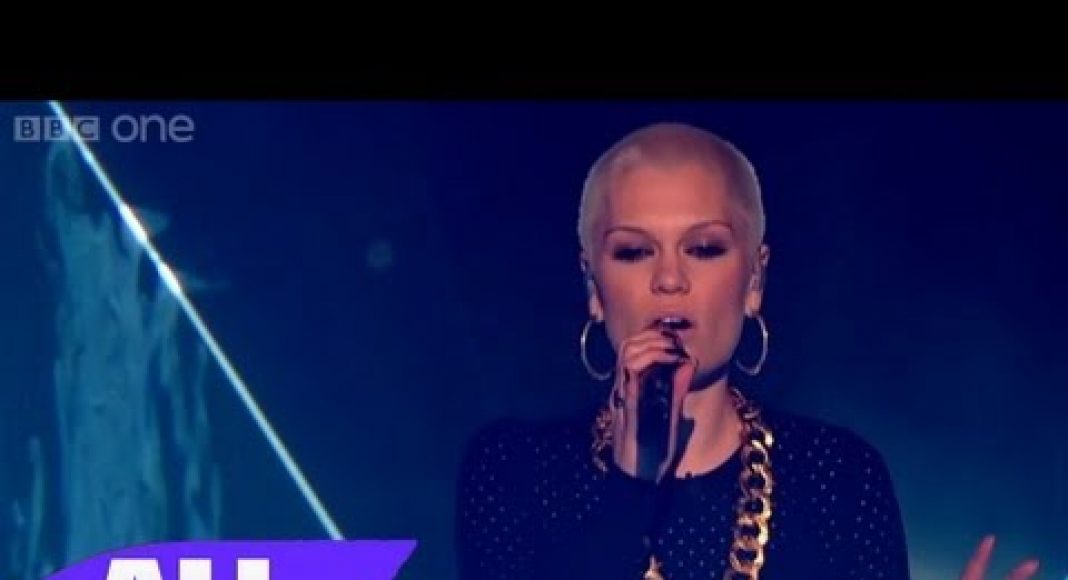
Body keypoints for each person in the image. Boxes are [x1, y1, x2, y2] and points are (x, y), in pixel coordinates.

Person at [454, 122, 1039, 579]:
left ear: (754, 280)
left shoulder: (839, 477)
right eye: (634, 252)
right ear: (593, 288)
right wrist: (630, 486)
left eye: (704, 248)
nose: (669, 280)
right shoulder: (514, 471)